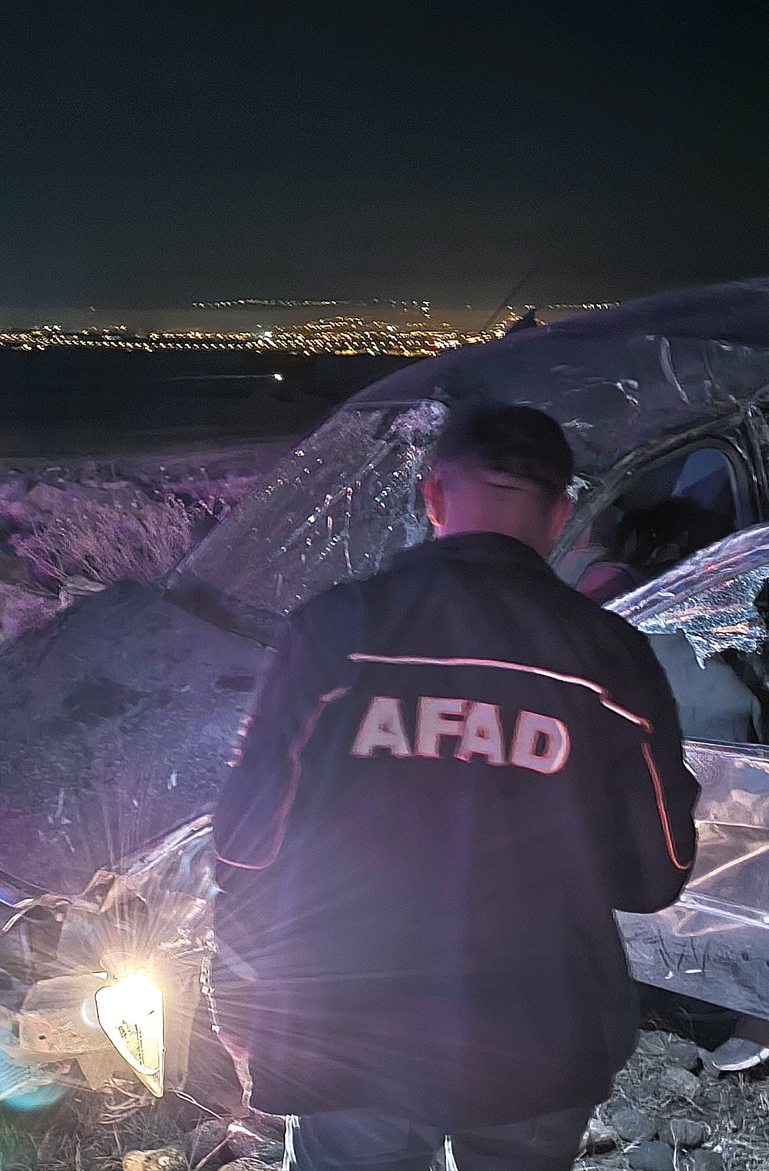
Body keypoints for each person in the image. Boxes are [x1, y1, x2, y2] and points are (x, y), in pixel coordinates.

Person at [212, 403, 699, 1171]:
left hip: (347, 1026)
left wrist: (238, 985)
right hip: (536, 1035)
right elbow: (657, 873)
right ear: (562, 514)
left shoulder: (336, 630)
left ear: (434, 497)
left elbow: (246, 844)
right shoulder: (611, 660)